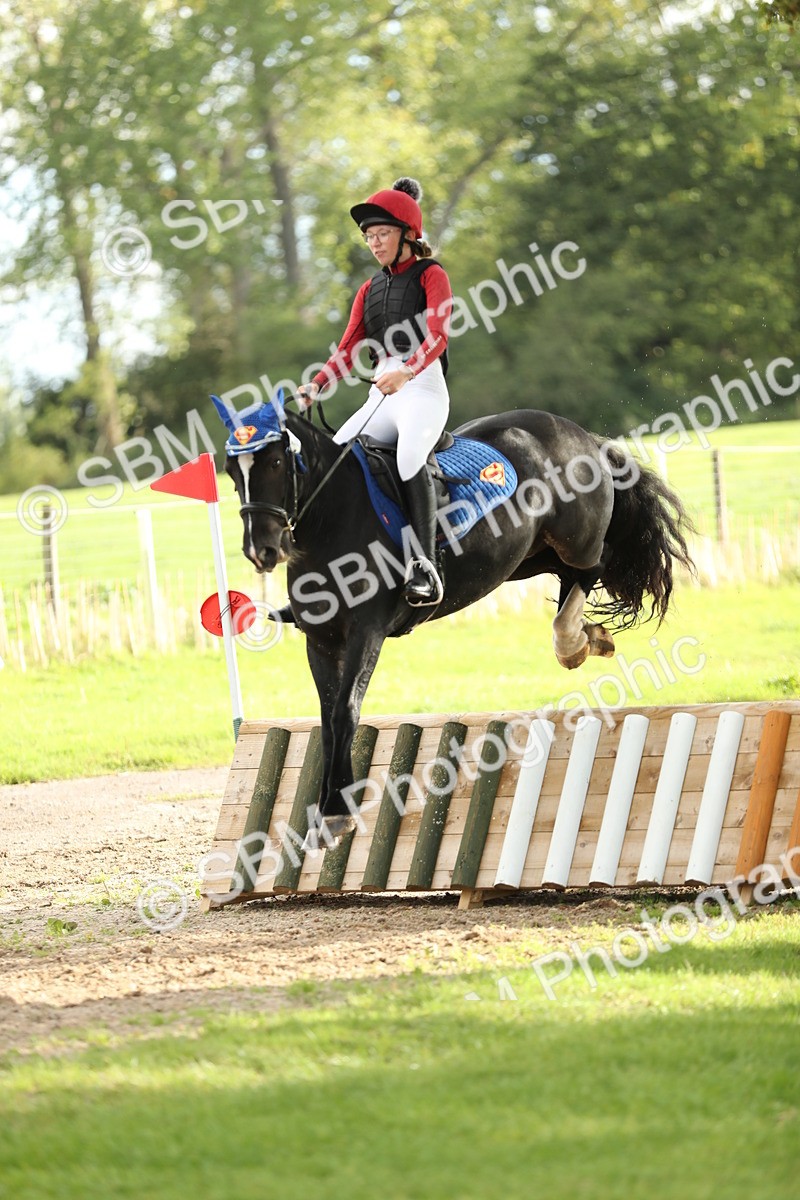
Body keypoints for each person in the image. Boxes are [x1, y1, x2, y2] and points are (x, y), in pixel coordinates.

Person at [294, 176, 453, 611]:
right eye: (369, 236)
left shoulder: (431, 275)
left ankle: (425, 565)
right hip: (382, 394)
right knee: (336, 458)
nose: (374, 242)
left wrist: (405, 372)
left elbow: (437, 337)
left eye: (382, 233)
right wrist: (318, 384)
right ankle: (327, 569)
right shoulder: (369, 289)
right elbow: (347, 349)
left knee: (407, 458)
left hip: (421, 390)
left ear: (407, 235)